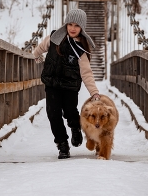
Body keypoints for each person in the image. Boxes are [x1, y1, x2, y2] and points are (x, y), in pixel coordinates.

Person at [32, 9, 100, 159]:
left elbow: (86, 73)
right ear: (66, 24)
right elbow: (40, 49)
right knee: (53, 113)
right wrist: (34, 56)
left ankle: (75, 127)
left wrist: (94, 93)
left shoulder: (81, 48)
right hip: (52, 84)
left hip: (70, 87)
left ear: (82, 28)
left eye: (77, 25)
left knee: (70, 111)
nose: (73, 28)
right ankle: (62, 144)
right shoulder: (54, 38)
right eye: (70, 24)